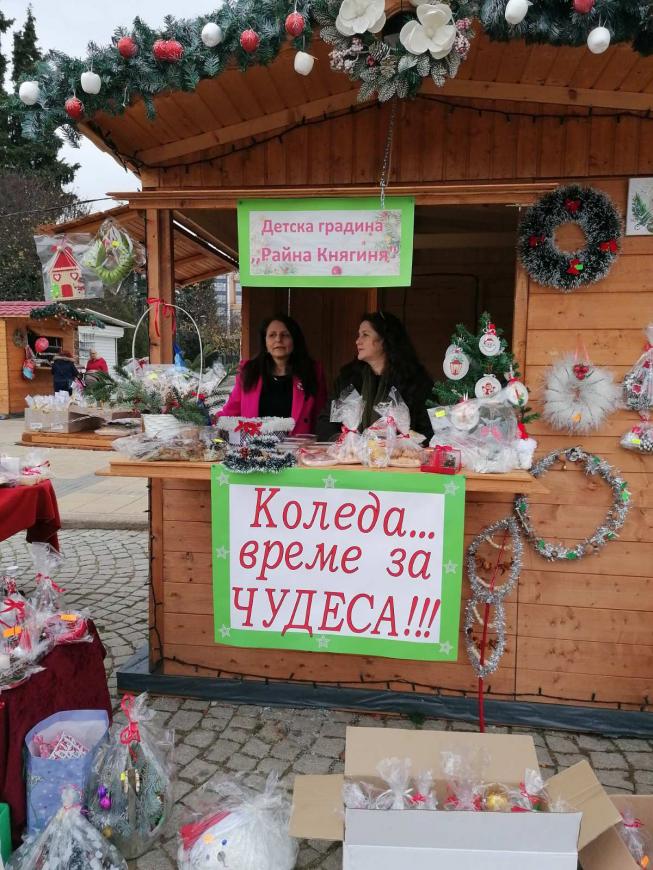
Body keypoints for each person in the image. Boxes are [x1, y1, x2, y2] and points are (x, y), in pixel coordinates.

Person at [317, 311, 433, 440]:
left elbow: (428, 429)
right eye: (359, 335)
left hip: (399, 453)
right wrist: (341, 439)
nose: (357, 341)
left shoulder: (414, 381)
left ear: (385, 340)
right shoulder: (347, 379)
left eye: (365, 335)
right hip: (350, 452)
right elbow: (325, 421)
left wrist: (403, 444)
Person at [217, 314, 327, 435]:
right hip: (255, 445)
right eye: (272, 335)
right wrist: (209, 424)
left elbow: (321, 417)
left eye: (285, 335)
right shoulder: (249, 371)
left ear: (295, 340)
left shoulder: (313, 371)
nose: (278, 339)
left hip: (297, 445)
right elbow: (231, 412)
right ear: (265, 342)